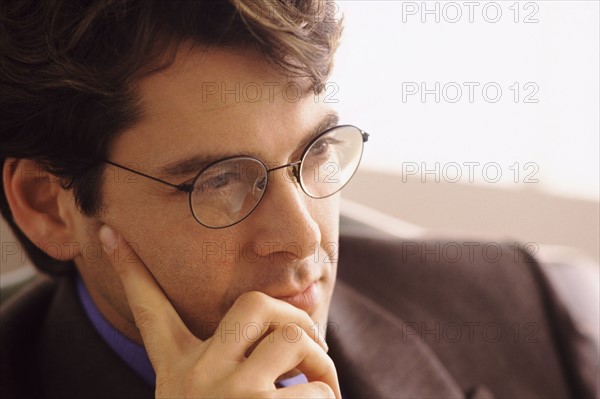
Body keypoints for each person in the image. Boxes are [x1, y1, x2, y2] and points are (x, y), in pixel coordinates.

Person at [0, 1, 597, 398]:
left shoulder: (517, 305)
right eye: (219, 180)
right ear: (49, 206)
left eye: (316, 152)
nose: (305, 236)